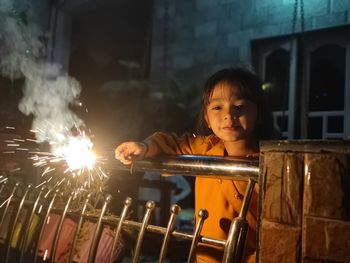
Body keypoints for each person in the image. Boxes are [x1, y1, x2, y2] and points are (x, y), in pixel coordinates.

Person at [115, 67, 276, 262]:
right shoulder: (205, 148)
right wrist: (143, 147)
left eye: (240, 106)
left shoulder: (273, 163)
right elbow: (170, 143)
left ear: (259, 114)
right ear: (207, 118)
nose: (229, 114)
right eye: (217, 107)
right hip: (206, 257)